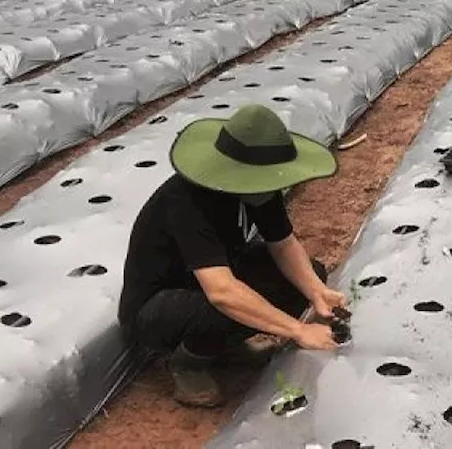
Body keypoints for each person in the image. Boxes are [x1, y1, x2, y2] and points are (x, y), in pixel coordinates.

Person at [118, 103, 347, 408]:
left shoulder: (261, 187)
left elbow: (283, 243)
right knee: (225, 305)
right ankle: (187, 363)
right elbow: (222, 292)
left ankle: (222, 346)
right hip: (157, 307)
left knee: (308, 275)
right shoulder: (187, 201)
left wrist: (317, 292)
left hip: (208, 279)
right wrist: (299, 330)